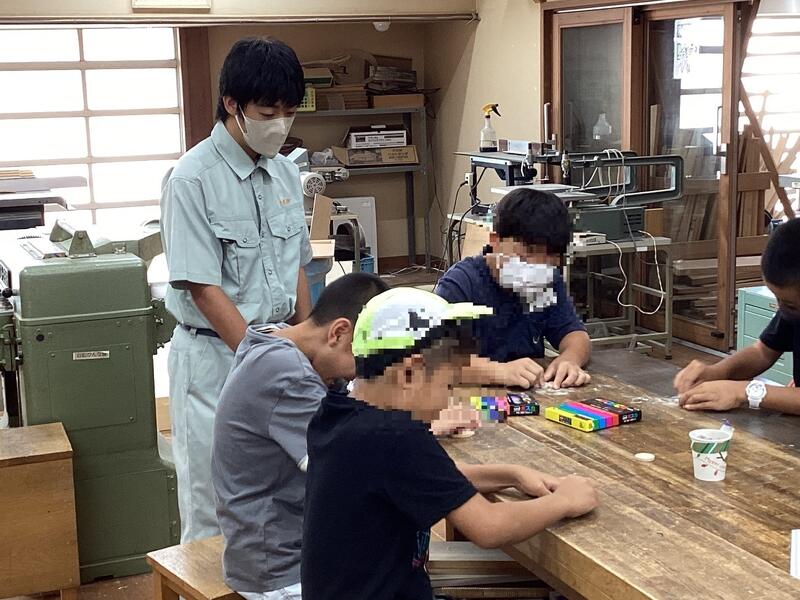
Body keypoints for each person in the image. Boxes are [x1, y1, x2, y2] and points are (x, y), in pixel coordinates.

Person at [301, 288, 600, 600]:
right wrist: (564, 501)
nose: (448, 400)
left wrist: (512, 474)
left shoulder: (337, 412)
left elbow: (434, 476)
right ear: (409, 373)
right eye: (447, 385)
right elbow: (489, 527)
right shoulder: (396, 436)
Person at [161, 37, 311, 542]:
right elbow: (203, 287)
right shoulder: (191, 178)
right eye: (268, 112)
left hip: (279, 353)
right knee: (215, 510)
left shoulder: (285, 171)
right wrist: (262, 359)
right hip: (216, 363)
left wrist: (311, 344)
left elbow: (296, 268)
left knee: (286, 496)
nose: (280, 125)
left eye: (289, 112)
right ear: (232, 104)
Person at [211, 273, 389, 600]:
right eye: (362, 363)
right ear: (339, 332)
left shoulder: (273, 337)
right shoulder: (290, 374)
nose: (357, 376)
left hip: (274, 545)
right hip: (281, 567)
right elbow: (360, 467)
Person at [435, 188, 591, 389]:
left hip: (529, 395)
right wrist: (497, 372)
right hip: (470, 397)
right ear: (495, 241)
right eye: (528, 252)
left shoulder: (545, 284)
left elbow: (575, 334)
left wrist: (570, 360)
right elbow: (434, 358)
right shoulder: (461, 284)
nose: (536, 265)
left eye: (549, 257)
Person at [675, 218, 800, 413]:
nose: (780, 307)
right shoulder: (792, 311)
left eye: (789, 303)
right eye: (778, 298)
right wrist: (717, 372)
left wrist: (745, 391)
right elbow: (763, 351)